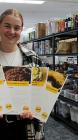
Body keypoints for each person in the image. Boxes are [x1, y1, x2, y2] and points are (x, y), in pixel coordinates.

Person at [0, 9, 45, 140]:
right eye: (7, 26)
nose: (12, 32)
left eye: (17, 28)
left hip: (26, 126)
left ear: (21, 30)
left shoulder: (32, 58)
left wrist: (35, 108)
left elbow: (42, 92)